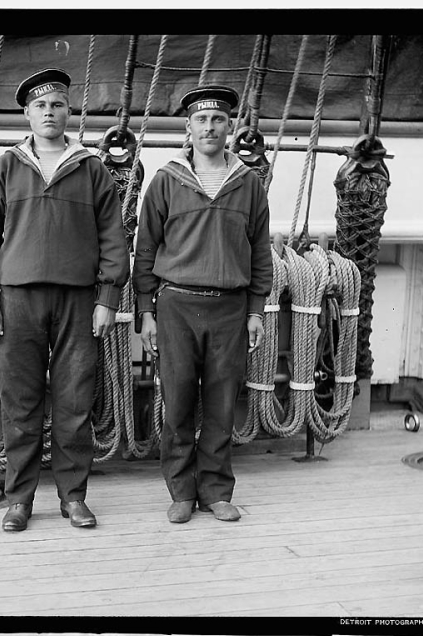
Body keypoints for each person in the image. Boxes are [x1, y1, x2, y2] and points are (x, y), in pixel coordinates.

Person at [0, 68, 130, 532]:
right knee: (20, 402)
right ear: (27, 114)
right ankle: (19, 499)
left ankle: (73, 497)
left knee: (75, 401)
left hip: (79, 302)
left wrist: (107, 298)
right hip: (17, 299)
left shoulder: (92, 168)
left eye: (57, 104)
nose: (49, 112)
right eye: (40, 106)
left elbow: (112, 239)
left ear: (68, 111)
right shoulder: (5, 167)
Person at [133, 85, 273, 524]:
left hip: (229, 309)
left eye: (217, 120)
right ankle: (180, 490)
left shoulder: (249, 185)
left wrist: (254, 311)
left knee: (220, 403)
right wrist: (146, 312)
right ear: (188, 128)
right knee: (175, 403)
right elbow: (147, 249)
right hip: (176, 307)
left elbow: (260, 252)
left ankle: (215, 488)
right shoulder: (165, 181)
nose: (209, 128)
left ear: (230, 126)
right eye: (201, 120)